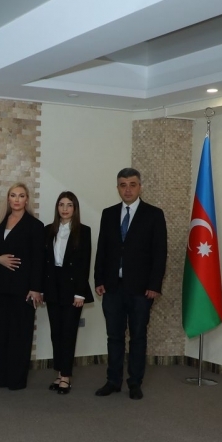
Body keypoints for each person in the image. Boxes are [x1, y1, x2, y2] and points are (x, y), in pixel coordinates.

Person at [93, 168, 167, 400]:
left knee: (138, 336)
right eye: (123, 185)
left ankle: (135, 382)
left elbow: (160, 253)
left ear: (140, 187)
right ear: (117, 188)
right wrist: (98, 279)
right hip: (112, 287)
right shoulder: (108, 214)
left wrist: (154, 285)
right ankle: (113, 381)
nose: (128, 189)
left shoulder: (154, 214)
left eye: (132, 184)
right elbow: (102, 249)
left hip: (141, 289)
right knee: (114, 337)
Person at [0, 183, 44, 391]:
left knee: (21, 334)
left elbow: (39, 260)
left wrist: (36, 288)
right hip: (1, 287)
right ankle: (3, 377)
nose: (17, 199)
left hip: (24, 289)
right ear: (8, 199)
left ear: (27, 199)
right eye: (13, 195)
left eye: (21, 196)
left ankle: (17, 379)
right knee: (2, 332)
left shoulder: (35, 225)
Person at [42, 191, 94, 395]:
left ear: (75, 208)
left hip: (72, 288)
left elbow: (84, 263)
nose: (65, 209)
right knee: (56, 333)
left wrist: (80, 293)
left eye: (69, 205)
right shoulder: (48, 230)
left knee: (68, 332)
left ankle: (66, 376)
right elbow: (45, 263)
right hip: (52, 286)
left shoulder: (84, 231)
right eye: (61, 204)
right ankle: (59, 373)